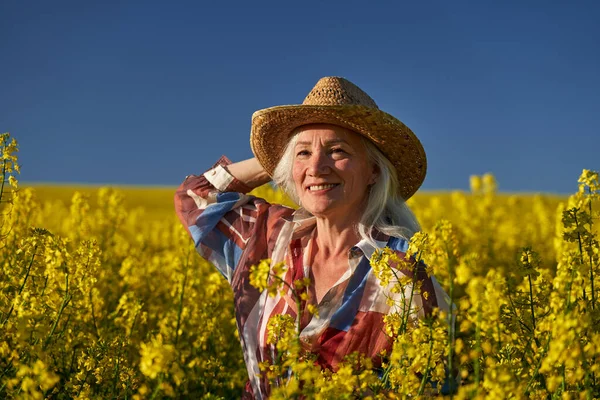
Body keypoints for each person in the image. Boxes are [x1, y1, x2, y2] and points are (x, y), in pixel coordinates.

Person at [174, 77, 450, 399]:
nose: (317, 167)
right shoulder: (267, 233)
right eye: (303, 154)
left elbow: (431, 383)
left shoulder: (405, 274)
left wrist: (303, 154)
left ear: (374, 170)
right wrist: (279, 161)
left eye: (337, 151)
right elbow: (193, 198)